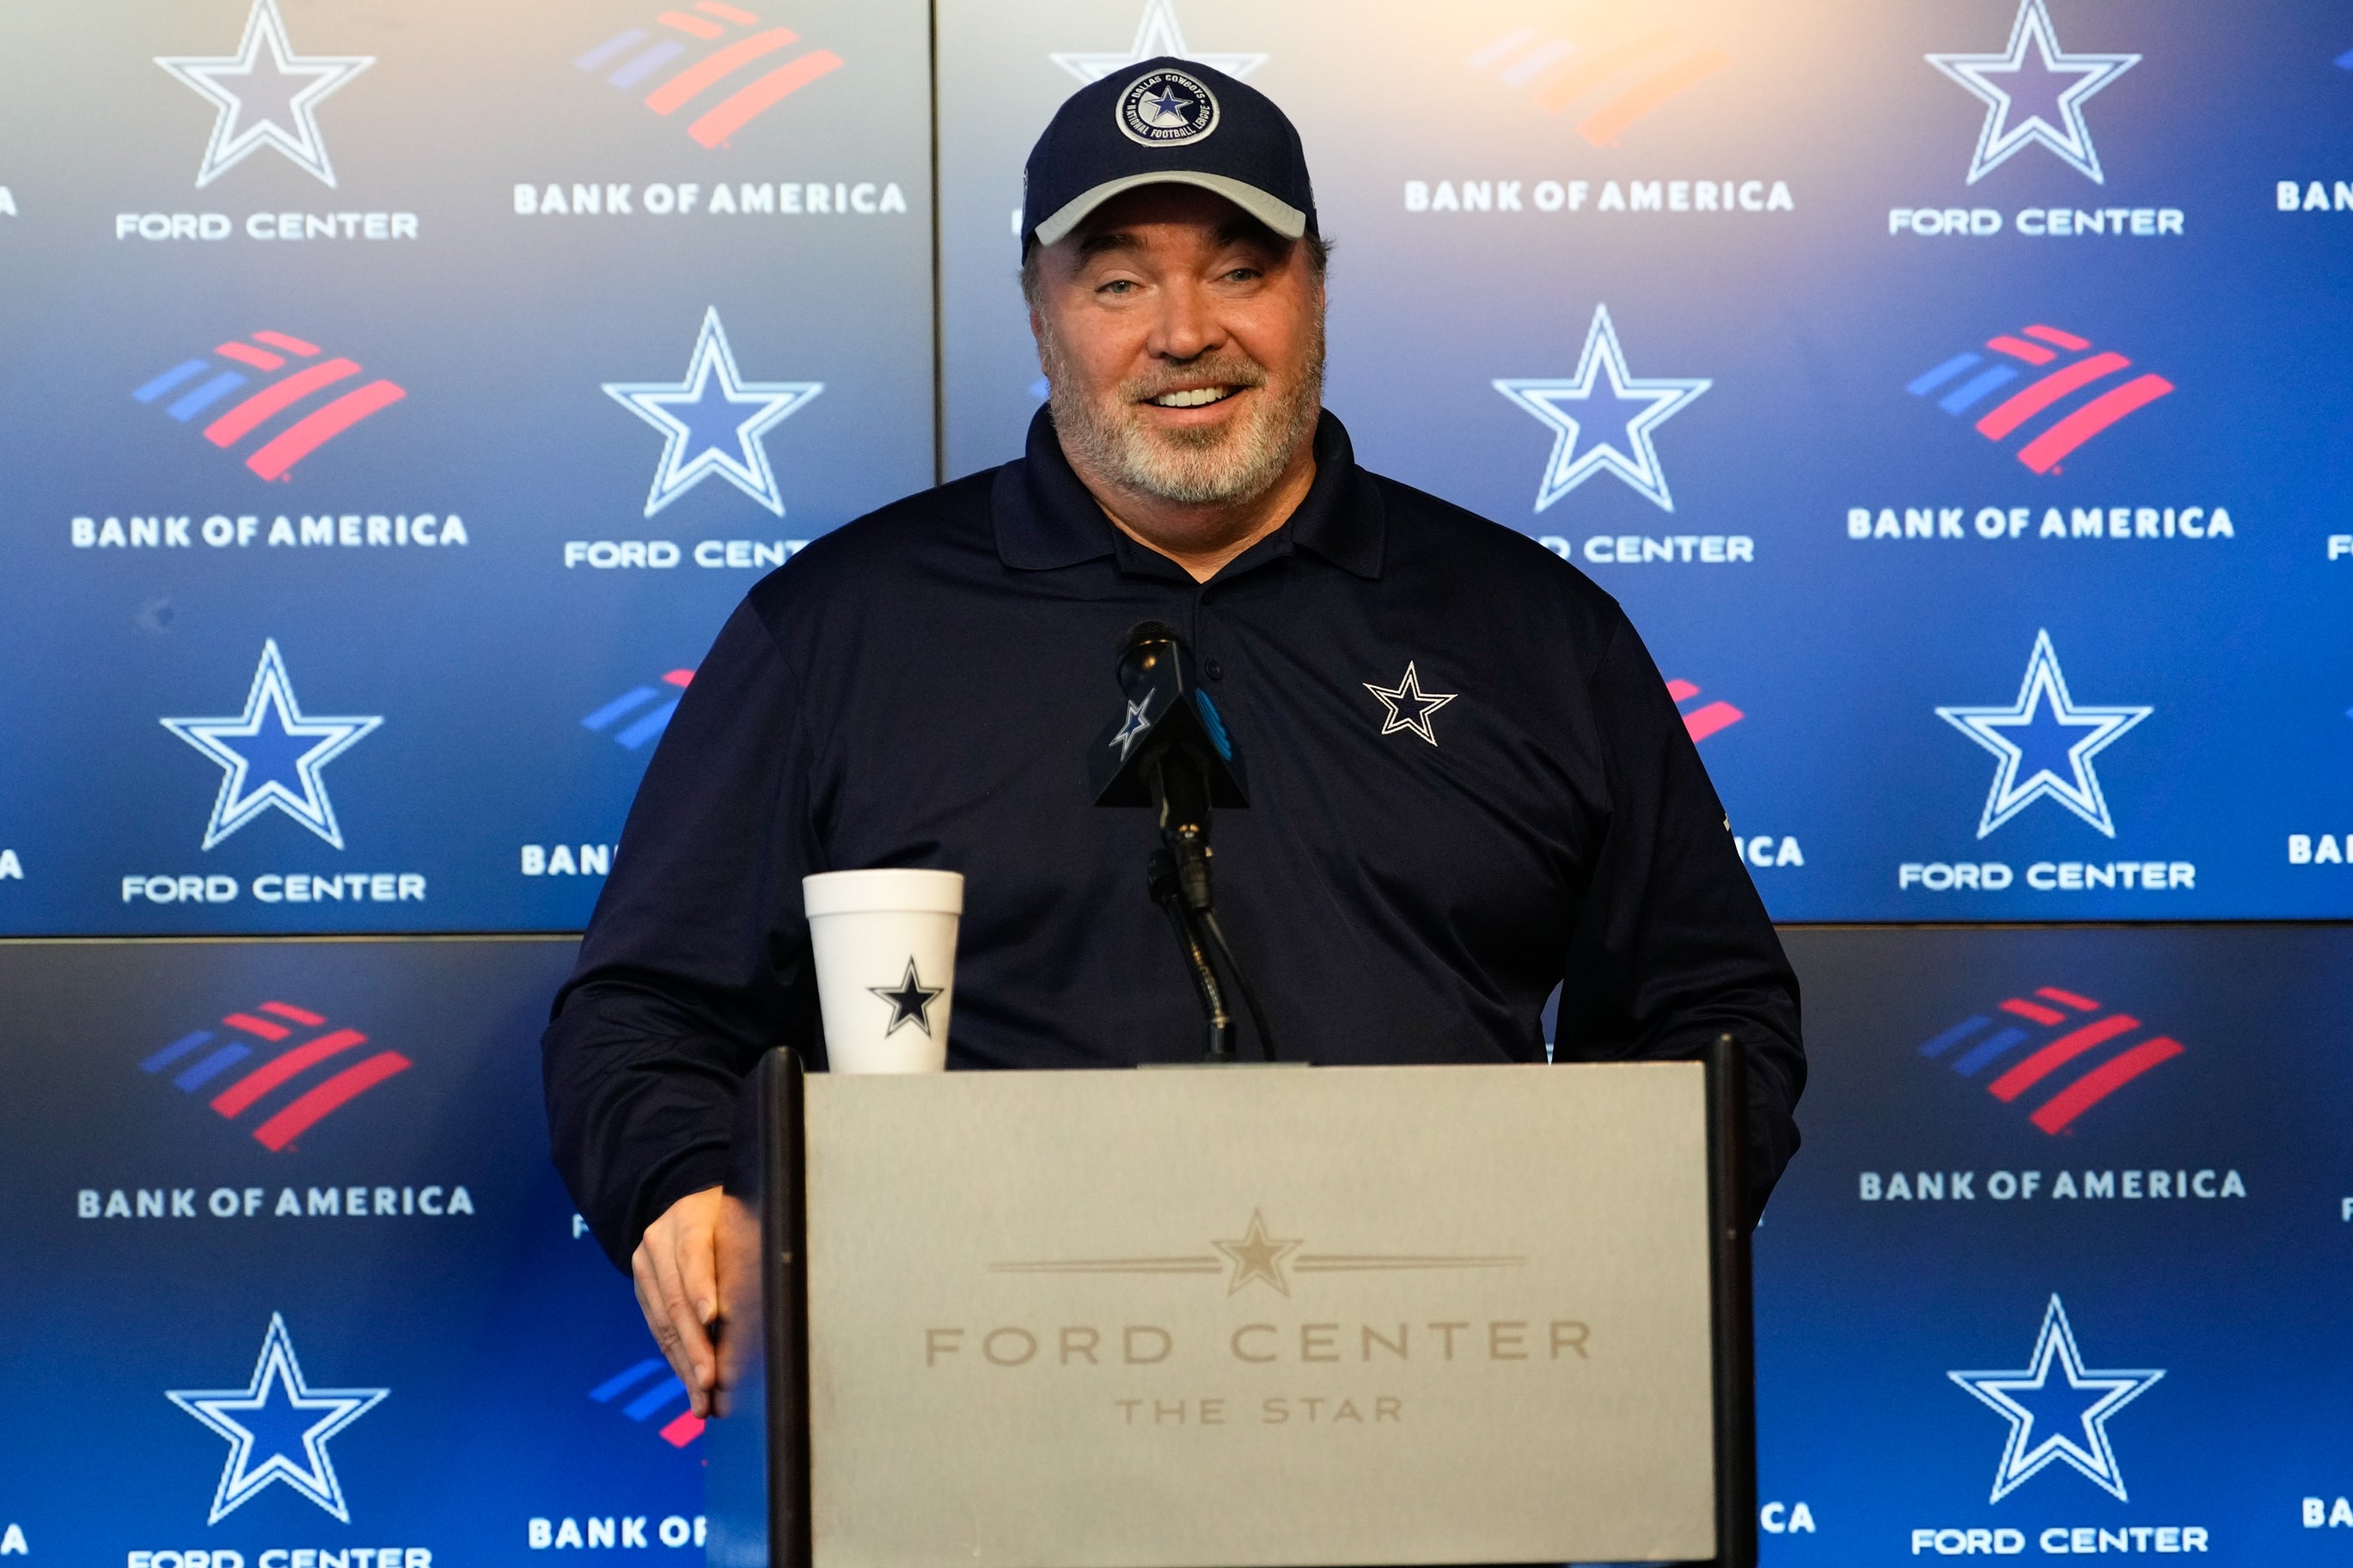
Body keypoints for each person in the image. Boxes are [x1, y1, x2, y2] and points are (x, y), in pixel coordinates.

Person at [543, 58, 1803, 1423]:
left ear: (1317, 285)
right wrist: (682, 1186)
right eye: (1117, 280)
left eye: (1242, 269)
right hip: (969, 1418)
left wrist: (1587, 1264)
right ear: (1038, 308)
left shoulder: (1536, 632)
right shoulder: (839, 629)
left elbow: (1713, 1014)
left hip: (1438, 1413)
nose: (1184, 331)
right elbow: (643, 1012)